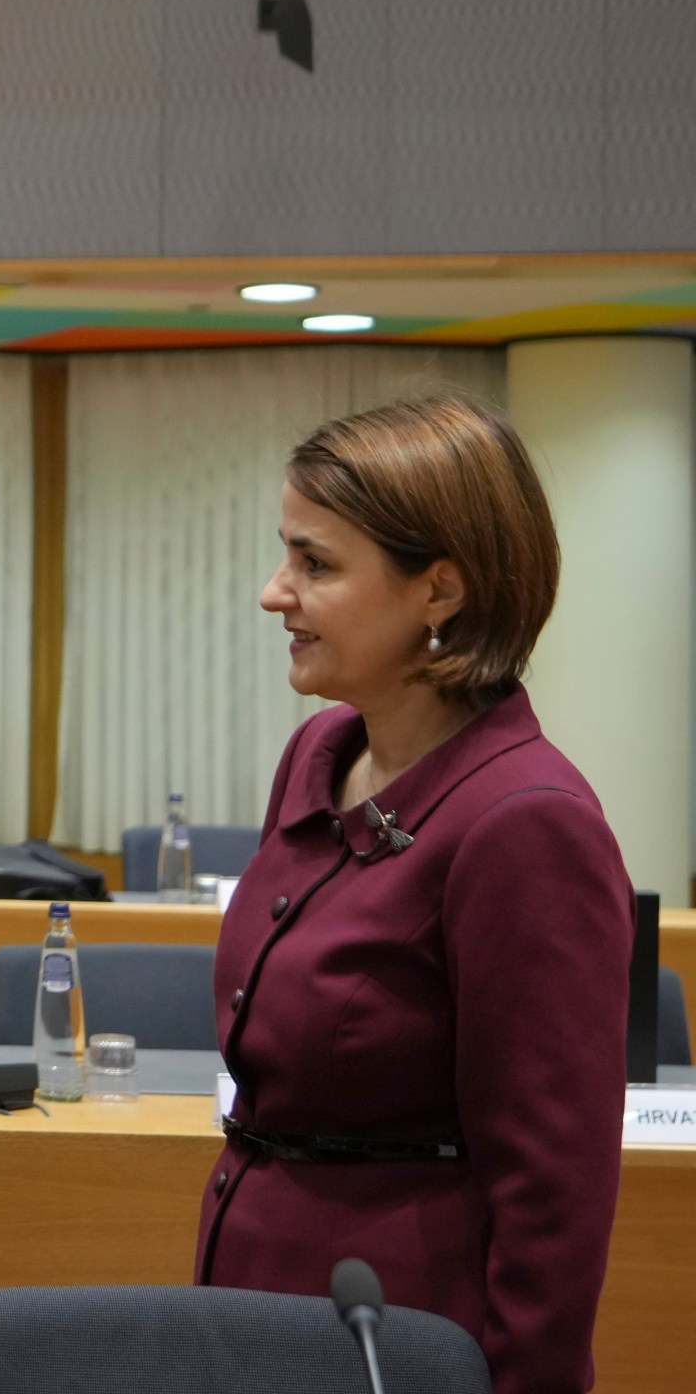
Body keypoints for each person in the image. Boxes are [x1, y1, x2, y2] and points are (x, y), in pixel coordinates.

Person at [199, 395, 630, 1394]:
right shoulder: (319, 752)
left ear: (438, 590)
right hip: (247, 1300)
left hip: (399, 1331)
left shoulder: (526, 821)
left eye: (316, 563)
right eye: (283, 554)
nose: (274, 592)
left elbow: (552, 1200)